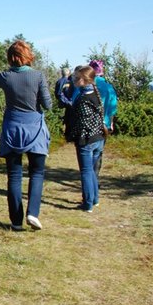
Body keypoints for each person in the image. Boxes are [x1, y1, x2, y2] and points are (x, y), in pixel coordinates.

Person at [0, 40, 52, 231]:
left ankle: (15, 221)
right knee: (36, 173)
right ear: (28, 56)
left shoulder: (5, 76)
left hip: (12, 128)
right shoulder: (38, 76)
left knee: (14, 175)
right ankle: (33, 213)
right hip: (35, 129)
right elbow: (48, 105)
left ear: (11, 58)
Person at [67, 65, 107, 212]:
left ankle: (88, 203)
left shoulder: (83, 99)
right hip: (98, 138)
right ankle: (94, 199)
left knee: (86, 171)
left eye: (76, 78)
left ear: (83, 80)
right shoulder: (95, 94)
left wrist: (74, 136)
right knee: (91, 170)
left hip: (87, 139)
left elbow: (82, 122)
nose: (74, 80)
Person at [68, 59, 118, 175]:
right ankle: (95, 178)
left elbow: (74, 102)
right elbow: (112, 108)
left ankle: (89, 181)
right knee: (98, 154)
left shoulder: (81, 87)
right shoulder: (108, 87)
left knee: (86, 161)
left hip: (84, 129)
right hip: (103, 125)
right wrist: (110, 123)